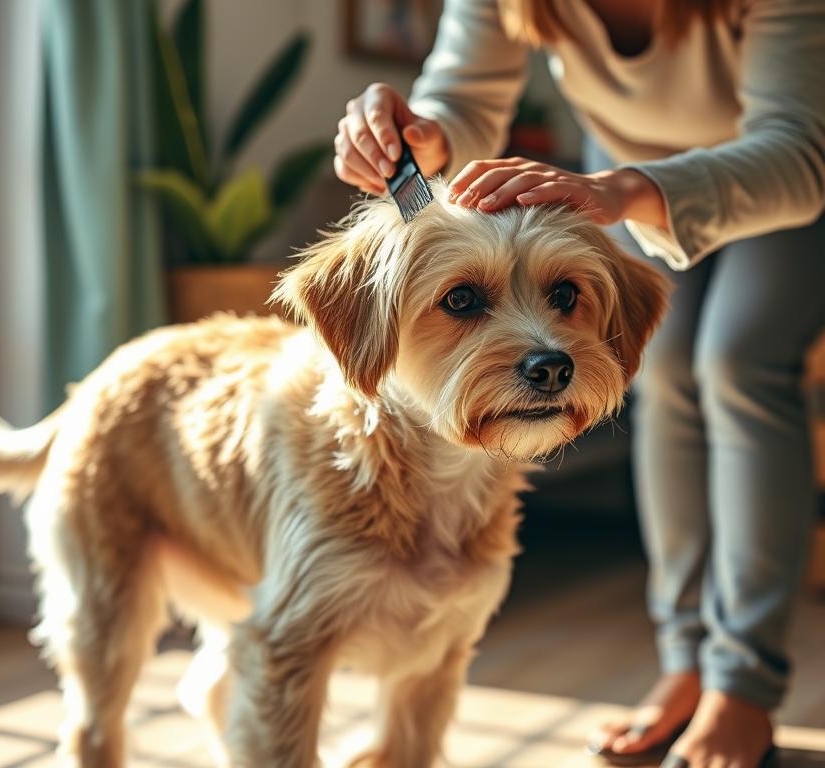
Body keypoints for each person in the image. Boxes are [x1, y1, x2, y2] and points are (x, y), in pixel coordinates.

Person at [332, 1, 825, 766]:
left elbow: (797, 151)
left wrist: (623, 191)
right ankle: (686, 664)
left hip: (779, 168)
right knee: (661, 374)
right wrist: (423, 135)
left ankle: (744, 684)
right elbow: (463, 100)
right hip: (621, 164)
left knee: (737, 363)